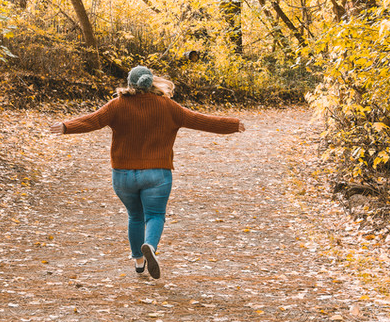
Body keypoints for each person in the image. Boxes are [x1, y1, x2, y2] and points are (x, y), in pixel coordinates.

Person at [49, 66, 245, 279]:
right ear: (151, 82)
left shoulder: (117, 105)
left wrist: (66, 126)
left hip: (123, 175)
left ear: (129, 84)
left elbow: (92, 120)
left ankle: (139, 262)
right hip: (157, 174)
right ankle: (150, 245)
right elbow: (201, 120)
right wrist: (233, 124)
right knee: (155, 215)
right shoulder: (168, 107)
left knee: (135, 216)